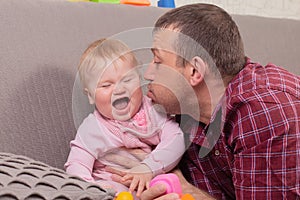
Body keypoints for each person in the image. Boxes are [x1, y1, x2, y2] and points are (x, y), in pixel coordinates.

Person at [105, 3, 300, 200]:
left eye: (158, 61)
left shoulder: (264, 111)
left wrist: (188, 191)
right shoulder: (187, 116)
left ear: (195, 72)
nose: (147, 74)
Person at [64, 38, 185, 198]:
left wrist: (149, 167)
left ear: (140, 79)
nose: (119, 89)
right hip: (110, 185)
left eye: (127, 80)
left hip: (146, 183)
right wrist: (90, 189)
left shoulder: (153, 110)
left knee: (168, 185)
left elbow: (176, 139)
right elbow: (77, 164)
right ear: (91, 96)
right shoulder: (93, 128)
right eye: (106, 85)